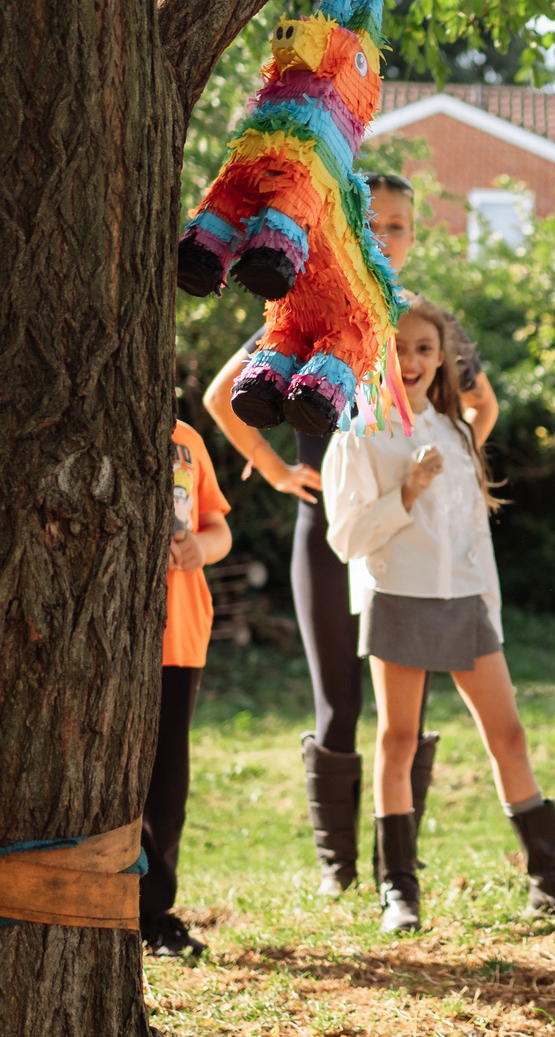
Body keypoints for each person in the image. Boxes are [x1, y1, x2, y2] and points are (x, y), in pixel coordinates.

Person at [206, 173, 496, 895]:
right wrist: (274, 471)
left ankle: (399, 869)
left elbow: (479, 405)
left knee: (410, 707)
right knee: (340, 699)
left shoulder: (422, 325)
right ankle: (340, 869)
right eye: (376, 224)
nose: (387, 238)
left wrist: (453, 467)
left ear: (413, 237)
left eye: (400, 226)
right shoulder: (311, 310)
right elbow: (222, 396)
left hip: (409, 543)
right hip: (332, 532)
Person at [322, 298, 555, 933]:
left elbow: (475, 537)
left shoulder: (455, 430)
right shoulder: (359, 432)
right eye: (399, 347)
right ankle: (399, 893)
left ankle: (549, 881)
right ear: (375, 351)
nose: (412, 360)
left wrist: (490, 609)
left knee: (510, 735)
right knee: (398, 741)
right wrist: (407, 492)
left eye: (425, 348)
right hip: (399, 599)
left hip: (468, 601)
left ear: (444, 357)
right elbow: (346, 539)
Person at [140, 407, 234, 957]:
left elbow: (217, 524)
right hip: (105, 637)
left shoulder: (186, 438)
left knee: (166, 784)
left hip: (179, 636)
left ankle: (153, 914)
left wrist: (204, 548)